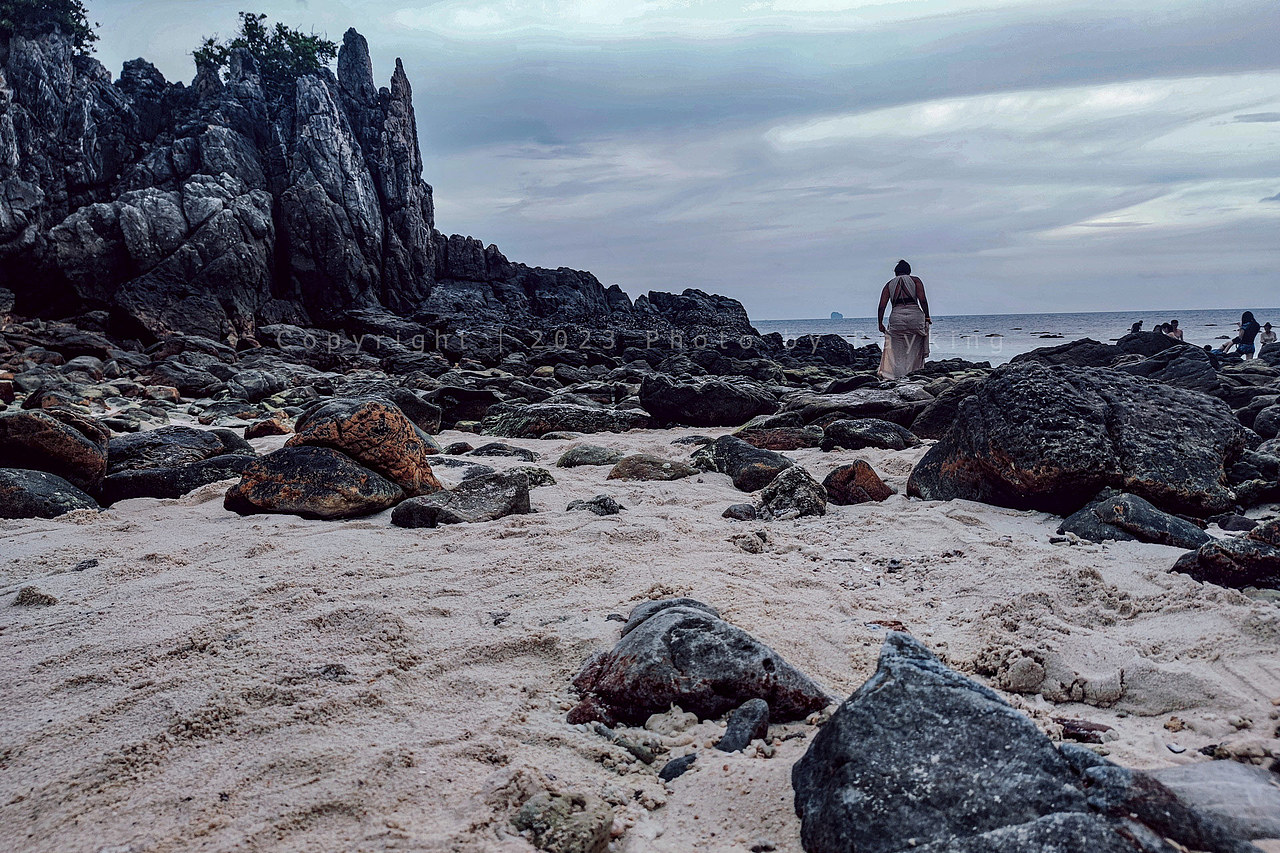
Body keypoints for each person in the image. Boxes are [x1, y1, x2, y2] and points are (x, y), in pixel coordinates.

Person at [876, 259, 930, 380]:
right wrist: (927, 316)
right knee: (915, 347)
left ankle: (896, 375)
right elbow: (923, 300)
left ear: (896, 272)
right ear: (909, 271)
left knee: (896, 350)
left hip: (897, 316)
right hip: (915, 315)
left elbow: (881, 306)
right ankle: (913, 373)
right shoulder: (915, 280)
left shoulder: (889, 284)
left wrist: (880, 323)